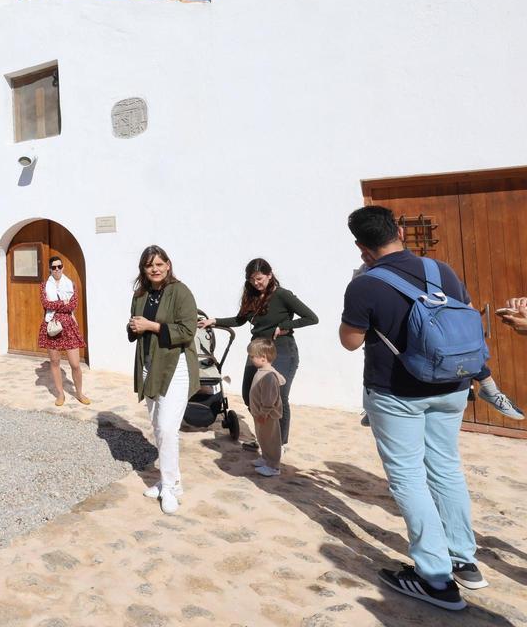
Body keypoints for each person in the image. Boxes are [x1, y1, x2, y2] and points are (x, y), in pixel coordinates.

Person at [339, 205, 480, 610]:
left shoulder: (365, 285)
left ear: (361, 247)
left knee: (408, 478)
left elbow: (350, 341)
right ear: (399, 230)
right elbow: (467, 315)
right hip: (452, 384)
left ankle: (435, 578)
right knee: (446, 468)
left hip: (397, 392)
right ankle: (464, 561)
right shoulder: (442, 271)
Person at [199, 258, 318, 445]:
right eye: (252, 279)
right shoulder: (252, 296)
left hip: (282, 350)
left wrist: (285, 326)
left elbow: (311, 317)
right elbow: (240, 320)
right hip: (257, 349)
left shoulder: (283, 295)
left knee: (278, 395)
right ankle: (265, 436)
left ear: (270, 275)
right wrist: (214, 321)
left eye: (260, 278)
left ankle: (280, 443)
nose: (256, 283)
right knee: (250, 395)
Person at [128, 245, 198, 516]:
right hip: (149, 365)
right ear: (143, 269)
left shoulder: (181, 292)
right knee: (158, 426)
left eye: (159, 263)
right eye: (149, 265)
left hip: (175, 366)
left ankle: (169, 487)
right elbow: (136, 323)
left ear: (168, 264)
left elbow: (187, 330)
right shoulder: (141, 294)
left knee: (168, 428)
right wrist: (134, 326)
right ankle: (171, 481)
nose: (155, 269)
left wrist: (152, 326)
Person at [38, 256, 89, 407]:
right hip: (52, 325)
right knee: (55, 362)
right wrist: (63, 303)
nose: (57, 270)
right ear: (49, 269)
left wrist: (57, 305)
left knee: (75, 364)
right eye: (53, 267)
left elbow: (72, 305)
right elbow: (45, 303)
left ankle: (79, 392)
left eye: (59, 266)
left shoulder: (70, 284)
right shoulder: (44, 286)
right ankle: (60, 394)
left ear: (63, 267)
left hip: (69, 326)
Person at [244, 338, 284, 478]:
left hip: (267, 415)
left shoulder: (268, 376)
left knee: (271, 440)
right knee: (262, 438)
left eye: (252, 356)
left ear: (263, 358)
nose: (250, 359)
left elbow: (269, 399)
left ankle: (274, 466)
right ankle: (266, 458)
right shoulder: (262, 370)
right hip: (259, 414)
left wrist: (264, 413)